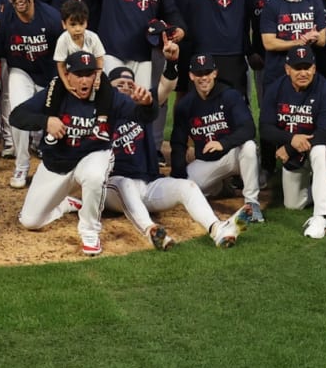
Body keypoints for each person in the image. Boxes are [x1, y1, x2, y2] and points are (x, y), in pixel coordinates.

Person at [12, 51, 142, 257]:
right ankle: (67, 203)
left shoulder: (106, 96)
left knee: (94, 175)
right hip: (58, 162)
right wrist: (46, 121)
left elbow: (142, 115)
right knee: (30, 221)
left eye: (89, 74)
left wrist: (148, 104)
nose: (84, 80)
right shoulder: (55, 92)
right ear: (68, 75)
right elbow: (16, 116)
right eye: (79, 74)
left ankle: (89, 231)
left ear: (96, 76)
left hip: (92, 156)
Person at [104, 65, 248, 249]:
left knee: (186, 186)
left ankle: (217, 228)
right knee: (126, 184)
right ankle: (152, 231)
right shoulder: (101, 116)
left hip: (148, 185)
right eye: (119, 84)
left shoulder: (143, 108)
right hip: (114, 187)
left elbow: (166, 86)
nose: (125, 87)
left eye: (129, 84)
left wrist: (171, 62)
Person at [168, 53, 263, 222]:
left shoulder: (230, 96)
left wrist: (223, 143)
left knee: (248, 147)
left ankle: (252, 203)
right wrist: (178, 175)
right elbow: (178, 143)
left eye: (207, 73)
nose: (203, 78)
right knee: (182, 191)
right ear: (191, 76)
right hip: (207, 161)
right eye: (199, 74)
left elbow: (248, 128)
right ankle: (220, 188)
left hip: (232, 155)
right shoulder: (185, 105)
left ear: (214, 73)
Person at [259, 46, 326, 239]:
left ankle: (320, 217)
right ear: (287, 69)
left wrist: (289, 146)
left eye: (307, 67)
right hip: (294, 147)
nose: (303, 73)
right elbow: (265, 128)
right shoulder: (275, 89)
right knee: (293, 204)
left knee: (321, 152)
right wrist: (291, 140)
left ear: (314, 68)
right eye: (297, 68)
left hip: (321, 143)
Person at [0, 0, 63, 188]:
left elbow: (62, 54)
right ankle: (21, 164)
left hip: (50, 73)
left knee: (54, 117)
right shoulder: (5, 17)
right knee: (17, 112)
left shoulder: (51, 17)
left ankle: (52, 160)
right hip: (21, 71)